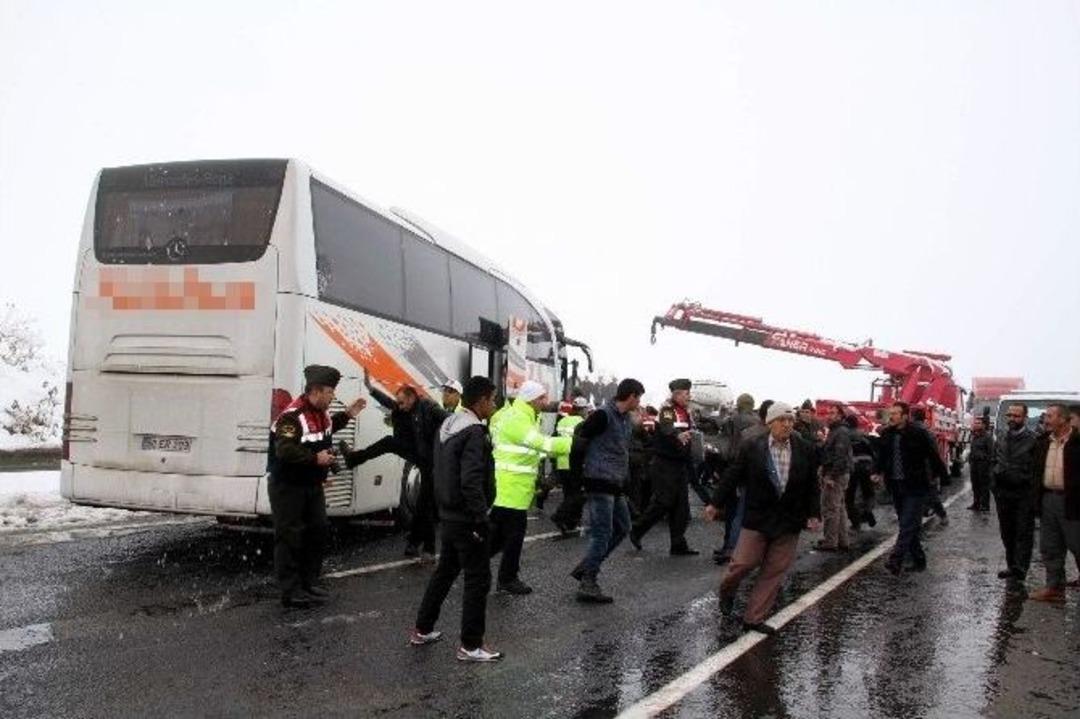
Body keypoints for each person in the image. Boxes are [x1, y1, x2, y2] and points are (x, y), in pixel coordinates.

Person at [705, 402, 822, 634]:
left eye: (790, 420)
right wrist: (715, 503)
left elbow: (811, 485)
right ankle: (727, 591)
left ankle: (753, 618)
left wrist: (813, 513)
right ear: (770, 422)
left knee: (774, 570)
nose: (787, 424)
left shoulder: (805, 448)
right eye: (782, 420)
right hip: (758, 516)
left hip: (789, 519)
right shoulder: (753, 446)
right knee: (743, 564)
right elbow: (733, 475)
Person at [411, 376, 503, 662]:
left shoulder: (449, 425)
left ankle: (422, 629)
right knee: (478, 578)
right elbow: (471, 480)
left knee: (446, 571)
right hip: (466, 518)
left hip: (448, 514)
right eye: (493, 399)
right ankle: (471, 645)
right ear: (481, 401)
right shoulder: (474, 432)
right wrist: (480, 519)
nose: (495, 404)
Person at [269, 365, 366, 608]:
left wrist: (347, 415)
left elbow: (325, 430)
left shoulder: (321, 413)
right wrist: (316, 459)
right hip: (288, 486)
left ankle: (309, 582)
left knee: (318, 531)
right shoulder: (293, 415)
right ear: (316, 391)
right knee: (289, 536)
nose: (333, 396)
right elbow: (285, 449)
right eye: (331, 391)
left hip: (311, 484)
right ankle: (291, 591)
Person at [345, 370, 449, 559]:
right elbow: (390, 403)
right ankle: (353, 458)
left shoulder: (427, 407)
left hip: (431, 462)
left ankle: (426, 547)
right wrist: (371, 389)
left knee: (424, 505)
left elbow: (449, 421)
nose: (399, 406)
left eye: (402, 402)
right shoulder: (404, 408)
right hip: (416, 453)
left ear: (411, 398)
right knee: (388, 442)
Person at [489, 380, 572, 595]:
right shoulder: (518, 419)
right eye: (542, 398)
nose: (546, 401)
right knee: (513, 536)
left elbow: (532, 451)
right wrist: (573, 444)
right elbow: (542, 445)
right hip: (511, 487)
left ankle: (474, 566)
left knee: (498, 537)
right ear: (532, 399)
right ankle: (507, 578)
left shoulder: (521, 415)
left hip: (511, 487)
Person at [569, 379, 646, 603]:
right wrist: (577, 480)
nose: (639, 402)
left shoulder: (624, 420)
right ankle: (588, 581)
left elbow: (621, 452)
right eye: (638, 397)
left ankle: (586, 567)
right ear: (631, 396)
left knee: (623, 527)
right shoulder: (602, 415)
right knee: (602, 533)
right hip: (598, 481)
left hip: (615, 484)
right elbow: (579, 442)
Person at [874, 401, 949, 575]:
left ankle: (895, 559)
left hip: (916, 485)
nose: (891, 416)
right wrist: (876, 471)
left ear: (905, 416)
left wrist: (942, 478)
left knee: (908, 523)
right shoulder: (887, 434)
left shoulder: (918, 433)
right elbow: (881, 456)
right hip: (896, 485)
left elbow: (933, 455)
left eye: (895, 413)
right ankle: (919, 560)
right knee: (906, 524)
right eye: (890, 413)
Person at [630, 379, 700, 556]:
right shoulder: (667, 410)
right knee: (663, 503)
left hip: (680, 464)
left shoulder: (686, 411)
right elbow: (668, 428)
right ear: (676, 394)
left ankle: (678, 545)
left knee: (681, 507)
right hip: (665, 464)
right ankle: (636, 531)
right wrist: (678, 435)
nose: (689, 396)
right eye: (686, 393)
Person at [1028, 404, 1080, 603]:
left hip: (1073, 501)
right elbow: (1035, 472)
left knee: (1077, 544)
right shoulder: (1042, 442)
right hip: (1048, 499)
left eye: (1050, 416)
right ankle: (1054, 588)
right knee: (1050, 546)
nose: (1045, 419)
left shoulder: (1076, 443)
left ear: (1063, 419)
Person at [713, 399, 770, 566]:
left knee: (737, 513)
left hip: (744, 476)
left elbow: (729, 449)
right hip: (768, 481)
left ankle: (730, 547)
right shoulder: (775, 432)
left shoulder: (737, 424)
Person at [991, 403, 1037, 583]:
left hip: (1023, 493)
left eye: (1016, 416)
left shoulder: (1033, 439)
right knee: (1007, 532)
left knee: (1023, 533)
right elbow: (994, 460)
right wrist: (993, 483)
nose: (1011, 419)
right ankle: (1011, 565)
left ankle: (1020, 569)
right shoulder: (1001, 436)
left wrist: (1026, 482)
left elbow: (1036, 468)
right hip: (1003, 493)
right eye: (1009, 416)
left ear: (1025, 418)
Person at [549, 396, 590, 534]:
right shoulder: (583, 422)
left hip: (561, 461)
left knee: (568, 493)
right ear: (582, 409)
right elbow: (583, 444)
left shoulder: (563, 421)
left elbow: (554, 438)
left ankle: (570, 522)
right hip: (575, 462)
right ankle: (563, 517)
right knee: (578, 493)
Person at [816, 403, 852, 552]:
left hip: (836, 474)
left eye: (832, 413)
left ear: (840, 415)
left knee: (830, 507)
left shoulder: (840, 432)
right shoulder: (836, 430)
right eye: (828, 413)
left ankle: (830, 541)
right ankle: (842, 540)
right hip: (838, 473)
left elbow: (840, 455)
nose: (828, 416)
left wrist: (831, 475)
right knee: (839, 507)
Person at [912, 407, 949, 524]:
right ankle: (941, 515)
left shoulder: (910, 431)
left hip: (915, 468)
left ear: (912, 417)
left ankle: (929, 513)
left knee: (920, 493)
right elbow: (934, 453)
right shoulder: (929, 432)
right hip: (926, 468)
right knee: (930, 493)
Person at [843, 414, 878, 531]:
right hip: (866, 466)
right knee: (868, 492)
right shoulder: (863, 435)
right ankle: (867, 510)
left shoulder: (845, 436)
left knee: (849, 496)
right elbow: (872, 452)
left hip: (852, 467)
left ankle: (855, 522)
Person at [967, 417, 995, 512]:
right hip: (974, 464)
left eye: (979, 423)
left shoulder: (987, 437)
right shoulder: (975, 436)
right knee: (975, 485)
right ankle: (976, 504)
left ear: (983, 425)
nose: (976, 424)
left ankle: (985, 505)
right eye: (975, 423)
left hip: (983, 465)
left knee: (984, 486)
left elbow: (991, 453)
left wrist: (989, 466)